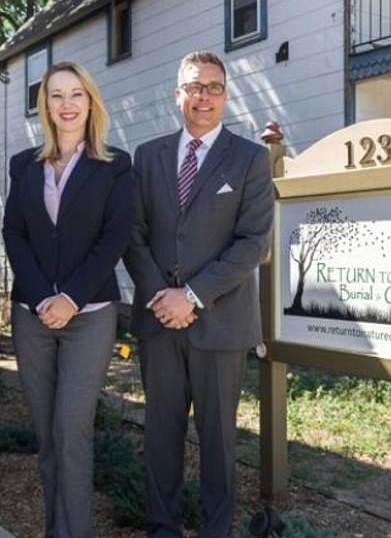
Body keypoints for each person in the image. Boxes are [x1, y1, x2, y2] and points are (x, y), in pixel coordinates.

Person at [124, 50, 274, 537]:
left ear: (226, 96)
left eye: (212, 86)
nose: (203, 95)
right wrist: (162, 299)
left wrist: (190, 296)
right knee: (162, 437)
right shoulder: (147, 157)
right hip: (158, 322)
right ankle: (162, 528)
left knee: (218, 442)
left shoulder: (250, 159)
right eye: (194, 86)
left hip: (221, 324)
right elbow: (133, 234)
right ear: (178, 94)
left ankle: (216, 531)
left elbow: (252, 243)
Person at [2, 61, 132, 537]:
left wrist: (70, 298)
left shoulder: (115, 165)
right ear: (46, 106)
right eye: (56, 95)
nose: (67, 104)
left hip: (90, 314)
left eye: (76, 94)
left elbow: (115, 237)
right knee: (47, 437)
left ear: (90, 100)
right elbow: (13, 232)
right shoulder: (23, 164)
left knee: (71, 433)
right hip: (32, 315)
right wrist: (41, 298)